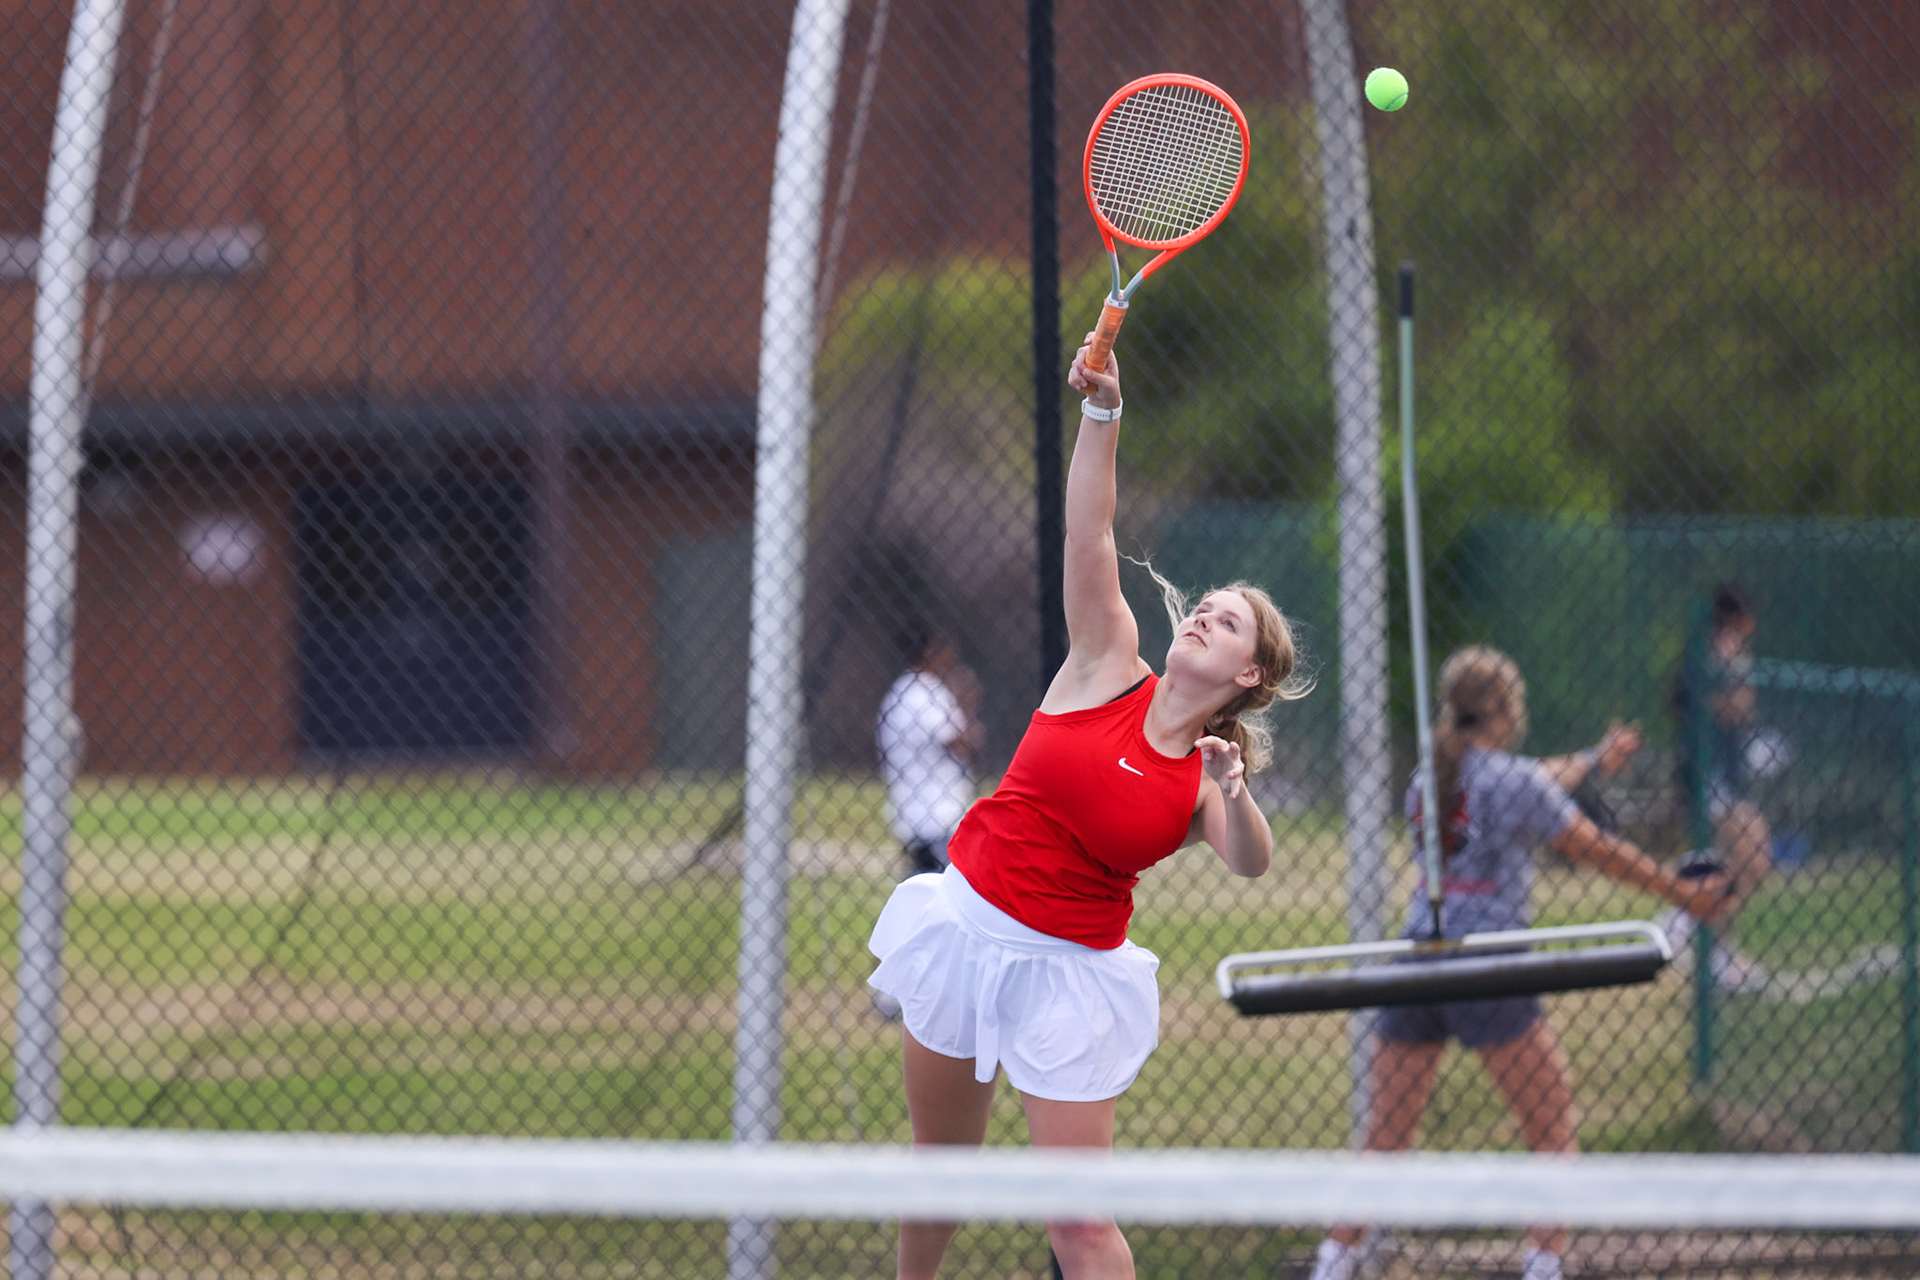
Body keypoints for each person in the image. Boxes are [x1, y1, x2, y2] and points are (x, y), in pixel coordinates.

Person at [865, 340, 1310, 1280]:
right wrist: (1102, 413)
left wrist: (1234, 791)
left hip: (1070, 980)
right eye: (1207, 606)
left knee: (1079, 1223)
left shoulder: (1205, 775)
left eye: (1227, 622)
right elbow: (1090, 534)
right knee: (939, 1172)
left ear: (1248, 674)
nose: (1203, 616)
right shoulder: (1109, 657)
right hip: (966, 925)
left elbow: (1250, 861)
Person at [1308, 646, 1731, 1280]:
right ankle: (1541, 1267)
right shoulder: (1511, 782)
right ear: (1503, 709)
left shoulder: (1430, 777)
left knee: (1383, 1142)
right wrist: (1681, 893)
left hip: (1416, 960)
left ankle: (1332, 1262)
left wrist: (1592, 761)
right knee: (1553, 1126)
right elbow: (1597, 849)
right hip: (1492, 969)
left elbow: (1524, 780)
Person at [1669, 583, 1776, 923]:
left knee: (1732, 864)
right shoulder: (1718, 652)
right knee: (1752, 858)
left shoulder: (1719, 652)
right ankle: (1684, 925)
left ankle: (1709, 938)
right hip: (1709, 775)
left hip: (1724, 773)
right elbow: (1738, 707)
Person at [876, 624, 983, 878]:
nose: (951, 655)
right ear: (929, 651)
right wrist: (967, 703)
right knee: (937, 887)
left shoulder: (913, 690)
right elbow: (962, 744)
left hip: (929, 812)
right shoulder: (920, 694)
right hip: (932, 815)